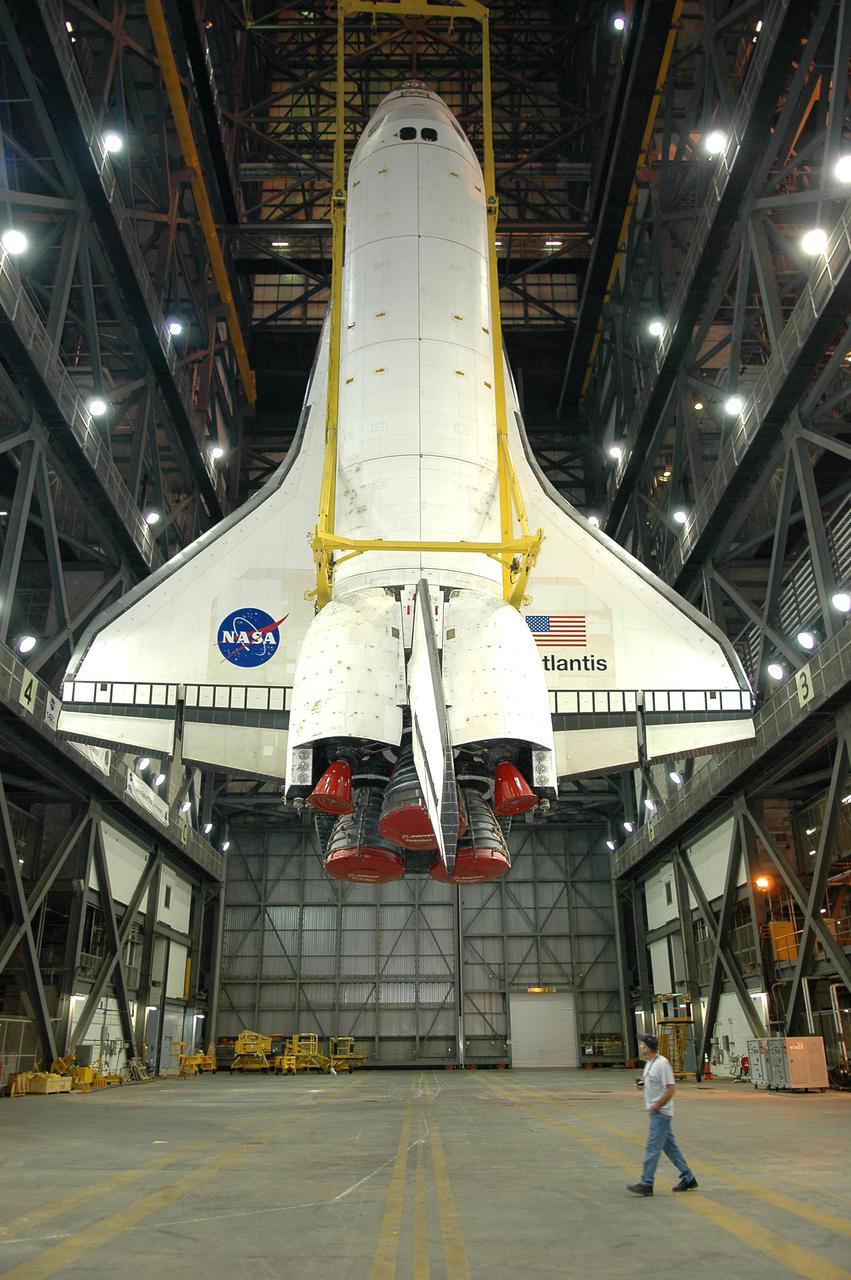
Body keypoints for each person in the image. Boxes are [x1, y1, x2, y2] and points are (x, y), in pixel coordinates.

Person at [627, 1033, 698, 1196]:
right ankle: (688, 1178)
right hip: (656, 1112)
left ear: (647, 1047)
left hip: (661, 1113)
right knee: (671, 1148)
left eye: (642, 1044)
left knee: (652, 1148)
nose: (640, 1046)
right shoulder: (650, 1064)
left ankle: (646, 1183)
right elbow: (653, 1084)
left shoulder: (662, 1064)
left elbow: (671, 1089)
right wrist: (641, 1085)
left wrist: (657, 1105)